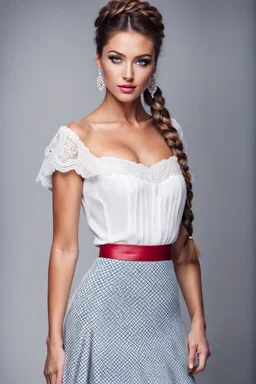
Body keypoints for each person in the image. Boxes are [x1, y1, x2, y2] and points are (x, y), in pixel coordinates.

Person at [36, 0, 212, 383]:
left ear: (154, 63)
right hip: (103, 313)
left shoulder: (169, 133)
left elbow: (182, 244)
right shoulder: (76, 140)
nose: (128, 74)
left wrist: (198, 320)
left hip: (163, 318)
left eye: (142, 61)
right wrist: (54, 340)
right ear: (99, 59)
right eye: (117, 58)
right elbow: (64, 247)